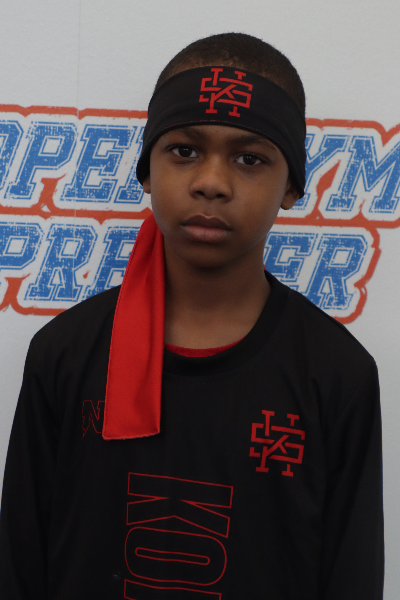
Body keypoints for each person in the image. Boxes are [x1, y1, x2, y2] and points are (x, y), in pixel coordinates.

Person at [0, 32, 384, 600]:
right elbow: (19, 564)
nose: (210, 182)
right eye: (184, 151)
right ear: (146, 171)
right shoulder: (65, 353)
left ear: (291, 186)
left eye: (249, 158)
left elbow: (351, 575)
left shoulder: (336, 373)